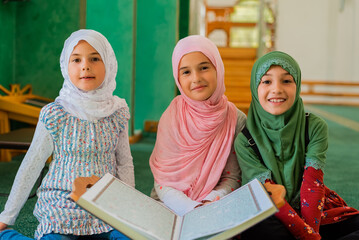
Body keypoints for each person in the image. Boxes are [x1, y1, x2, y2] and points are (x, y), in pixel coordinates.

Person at [0, 29, 134, 239]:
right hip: (63, 202)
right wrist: (7, 216)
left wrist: (130, 212)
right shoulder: (55, 114)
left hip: (105, 204)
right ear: (65, 65)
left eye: (94, 58)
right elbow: (31, 165)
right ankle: (8, 236)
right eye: (76, 59)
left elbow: (124, 163)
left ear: (108, 63)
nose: (85, 66)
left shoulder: (117, 112)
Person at [234, 51, 359, 240]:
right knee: (258, 228)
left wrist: (310, 233)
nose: (276, 89)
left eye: (286, 81)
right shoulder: (245, 140)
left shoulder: (314, 126)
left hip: (312, 212)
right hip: (274, 212)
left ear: (297, 85)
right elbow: (271, 194)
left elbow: (313, 183)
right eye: (267, 82)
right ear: (255, 87)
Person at [149, 35, 246, 216]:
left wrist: (207, 204)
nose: (196, 78)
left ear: (218, 68)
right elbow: (162, 180)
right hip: (169, 204)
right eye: (186, 72)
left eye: (203, 68)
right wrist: (189, 207)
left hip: (214, 205)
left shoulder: (235, 119)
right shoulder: (171, 118)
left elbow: (232, 177)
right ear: (177, 78)